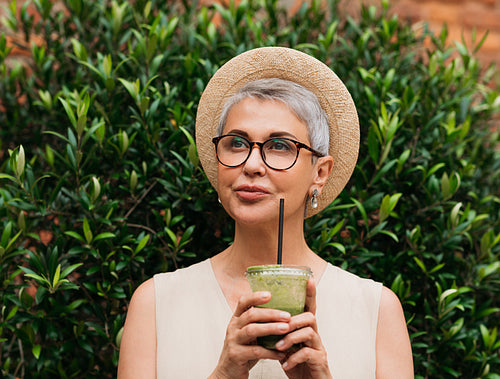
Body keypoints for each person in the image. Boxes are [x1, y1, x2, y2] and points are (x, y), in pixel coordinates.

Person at [117, 47, 414, 378]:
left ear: (320, 172)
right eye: (237, 143)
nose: (252, 165)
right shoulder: (155, 304)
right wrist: (224, 374)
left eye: (280, 146)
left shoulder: (376, 311)